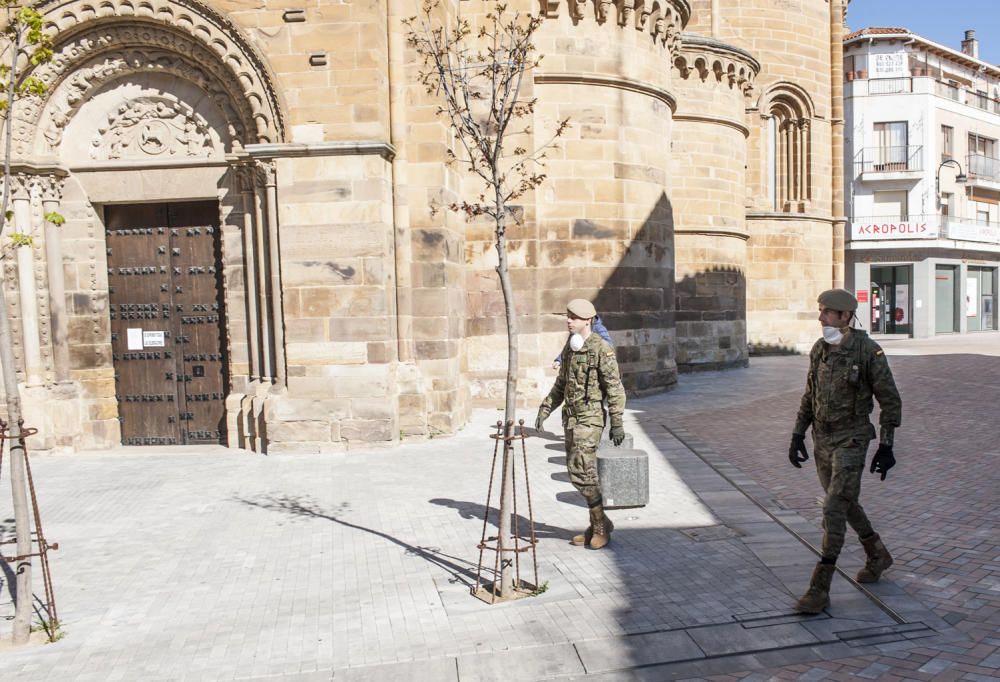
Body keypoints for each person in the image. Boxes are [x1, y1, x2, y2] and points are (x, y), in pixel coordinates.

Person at [788, 288, 902, 614]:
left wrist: (886, 445)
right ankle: (877, 554)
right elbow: (809, 395)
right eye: (821, 310)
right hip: (821, 439)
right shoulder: (819, 350)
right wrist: (798, 434)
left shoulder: (868, 352)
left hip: (852, 439)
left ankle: (819, 587)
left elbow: (890, 400)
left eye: (826, 312)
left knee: (834, 507)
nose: (821, 317)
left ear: (845, 316)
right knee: (846, 501)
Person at [535, 299, 626, 550]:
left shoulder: (601, 349)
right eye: (567, 316)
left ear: (588, 320)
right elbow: (561, 384)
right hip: (572, 418)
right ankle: (599, 523)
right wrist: (545, 409)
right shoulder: (570, 348)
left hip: (591, 418)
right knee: (576, 474)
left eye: (573, 317)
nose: (568, 320)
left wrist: (617, 422)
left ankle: (599, 528)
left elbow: (615, 389)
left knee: (583, 472)